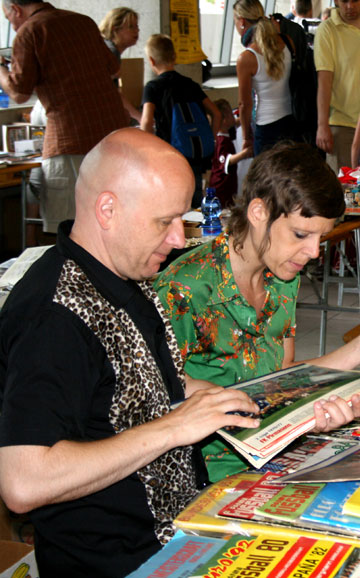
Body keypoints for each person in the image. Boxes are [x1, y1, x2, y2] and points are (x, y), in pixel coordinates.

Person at [0, 129, 263, 577]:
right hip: (125, 561)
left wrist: (278, 407)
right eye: (165, 221)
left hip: (183, 528)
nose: (180, 239)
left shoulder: (123, 274)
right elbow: (23, 482)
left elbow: (151, 383)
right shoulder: (53, 318)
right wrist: (173, 428)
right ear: (108, 210)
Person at [155, 141, 360, 481]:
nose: (314, 252)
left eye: (320, 238)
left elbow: (285, 377)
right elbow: (157, 403)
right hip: (207, 476)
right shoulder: (184, 289)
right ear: (258, 212)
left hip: (276, 457)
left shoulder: (281, 277)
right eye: (301, 235)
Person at [0, 0, 129, 234]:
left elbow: (19, 92)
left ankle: (71, 272)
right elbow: (113, 68)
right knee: (111, 218)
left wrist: (1, 69)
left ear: (16, 10)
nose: (13, 25)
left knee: (69, 227)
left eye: (9, 19)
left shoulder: (29, 32)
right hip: (112, 134)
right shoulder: (83, 21)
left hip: (70, 139)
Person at [141, 34, 221, 207]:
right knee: (195, 201)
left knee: (174, 203)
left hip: (170, 155)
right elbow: (216, 113)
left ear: (152, 61)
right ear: (174, 57)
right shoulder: (190, 84)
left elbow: (146, 122)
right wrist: (210, 138)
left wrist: (148, 152)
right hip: (195, 155)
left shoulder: (153, 87)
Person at [314, 0, 360, 171]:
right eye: (344, 1)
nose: (349, 6)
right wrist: (322, 125)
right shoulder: (327, 30)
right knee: (344, 189)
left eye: (354, 0)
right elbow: (324, 81)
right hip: (343, 124)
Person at [233, 0, 299, 155]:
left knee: (266, 177)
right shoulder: (288, 42)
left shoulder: (247, 58)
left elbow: (244, 104)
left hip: (266, 126)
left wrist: (246, 137)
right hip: (291, 121)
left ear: (242, 22)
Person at [99, 7, 142, 124]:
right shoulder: (111, 52)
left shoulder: (107, 48)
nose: (137, 31)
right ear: (115, 29)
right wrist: (140, 117)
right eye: (131, 27)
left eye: (137, 26)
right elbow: (113, 92)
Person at [209, 98, 252, 208]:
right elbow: (228, 160)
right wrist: (245, 153)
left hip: (228, 183)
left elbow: (235, 123)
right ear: (224, 121)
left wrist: (245, 117)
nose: (234, 117)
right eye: (231, 115)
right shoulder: (221, 141)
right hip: (221, 187)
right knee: (224, 208)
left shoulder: (226, 132)